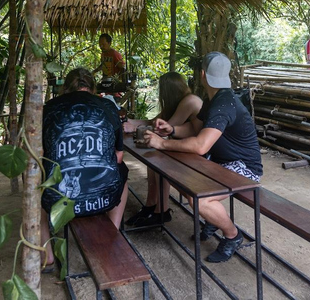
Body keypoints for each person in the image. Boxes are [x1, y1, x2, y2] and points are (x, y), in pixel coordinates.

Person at [144, 52, 263, 263]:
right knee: (176, 175)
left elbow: (200, 145)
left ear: (202, 75)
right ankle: (213, 219)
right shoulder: (215, 99)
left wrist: (162, 143)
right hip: (220, 163)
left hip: (245, 168)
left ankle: (232, 235)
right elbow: (194, 127)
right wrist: (171, 129)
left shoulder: (224, 104)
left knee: (200, 198)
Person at [40, 67, 129, 268]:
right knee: (122, 173)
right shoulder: (108, 106)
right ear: (93, 88)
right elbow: (119, 157)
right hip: (104, 200)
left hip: (57, 201)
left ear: (65, 89)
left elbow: (40, 155)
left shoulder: (48, 108)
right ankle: (111, 234)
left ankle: (45, 252)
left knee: (35, 176)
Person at [122, 72, 203, 227]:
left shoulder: (190, 101)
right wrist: (131, 122)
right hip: (186, 146)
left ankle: (161, 211)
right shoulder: (179, 102)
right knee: (153, 156)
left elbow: (162, 129)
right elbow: (153, 121)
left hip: (199, 151)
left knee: (160, 159)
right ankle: (151, 204)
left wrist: (135, 127)